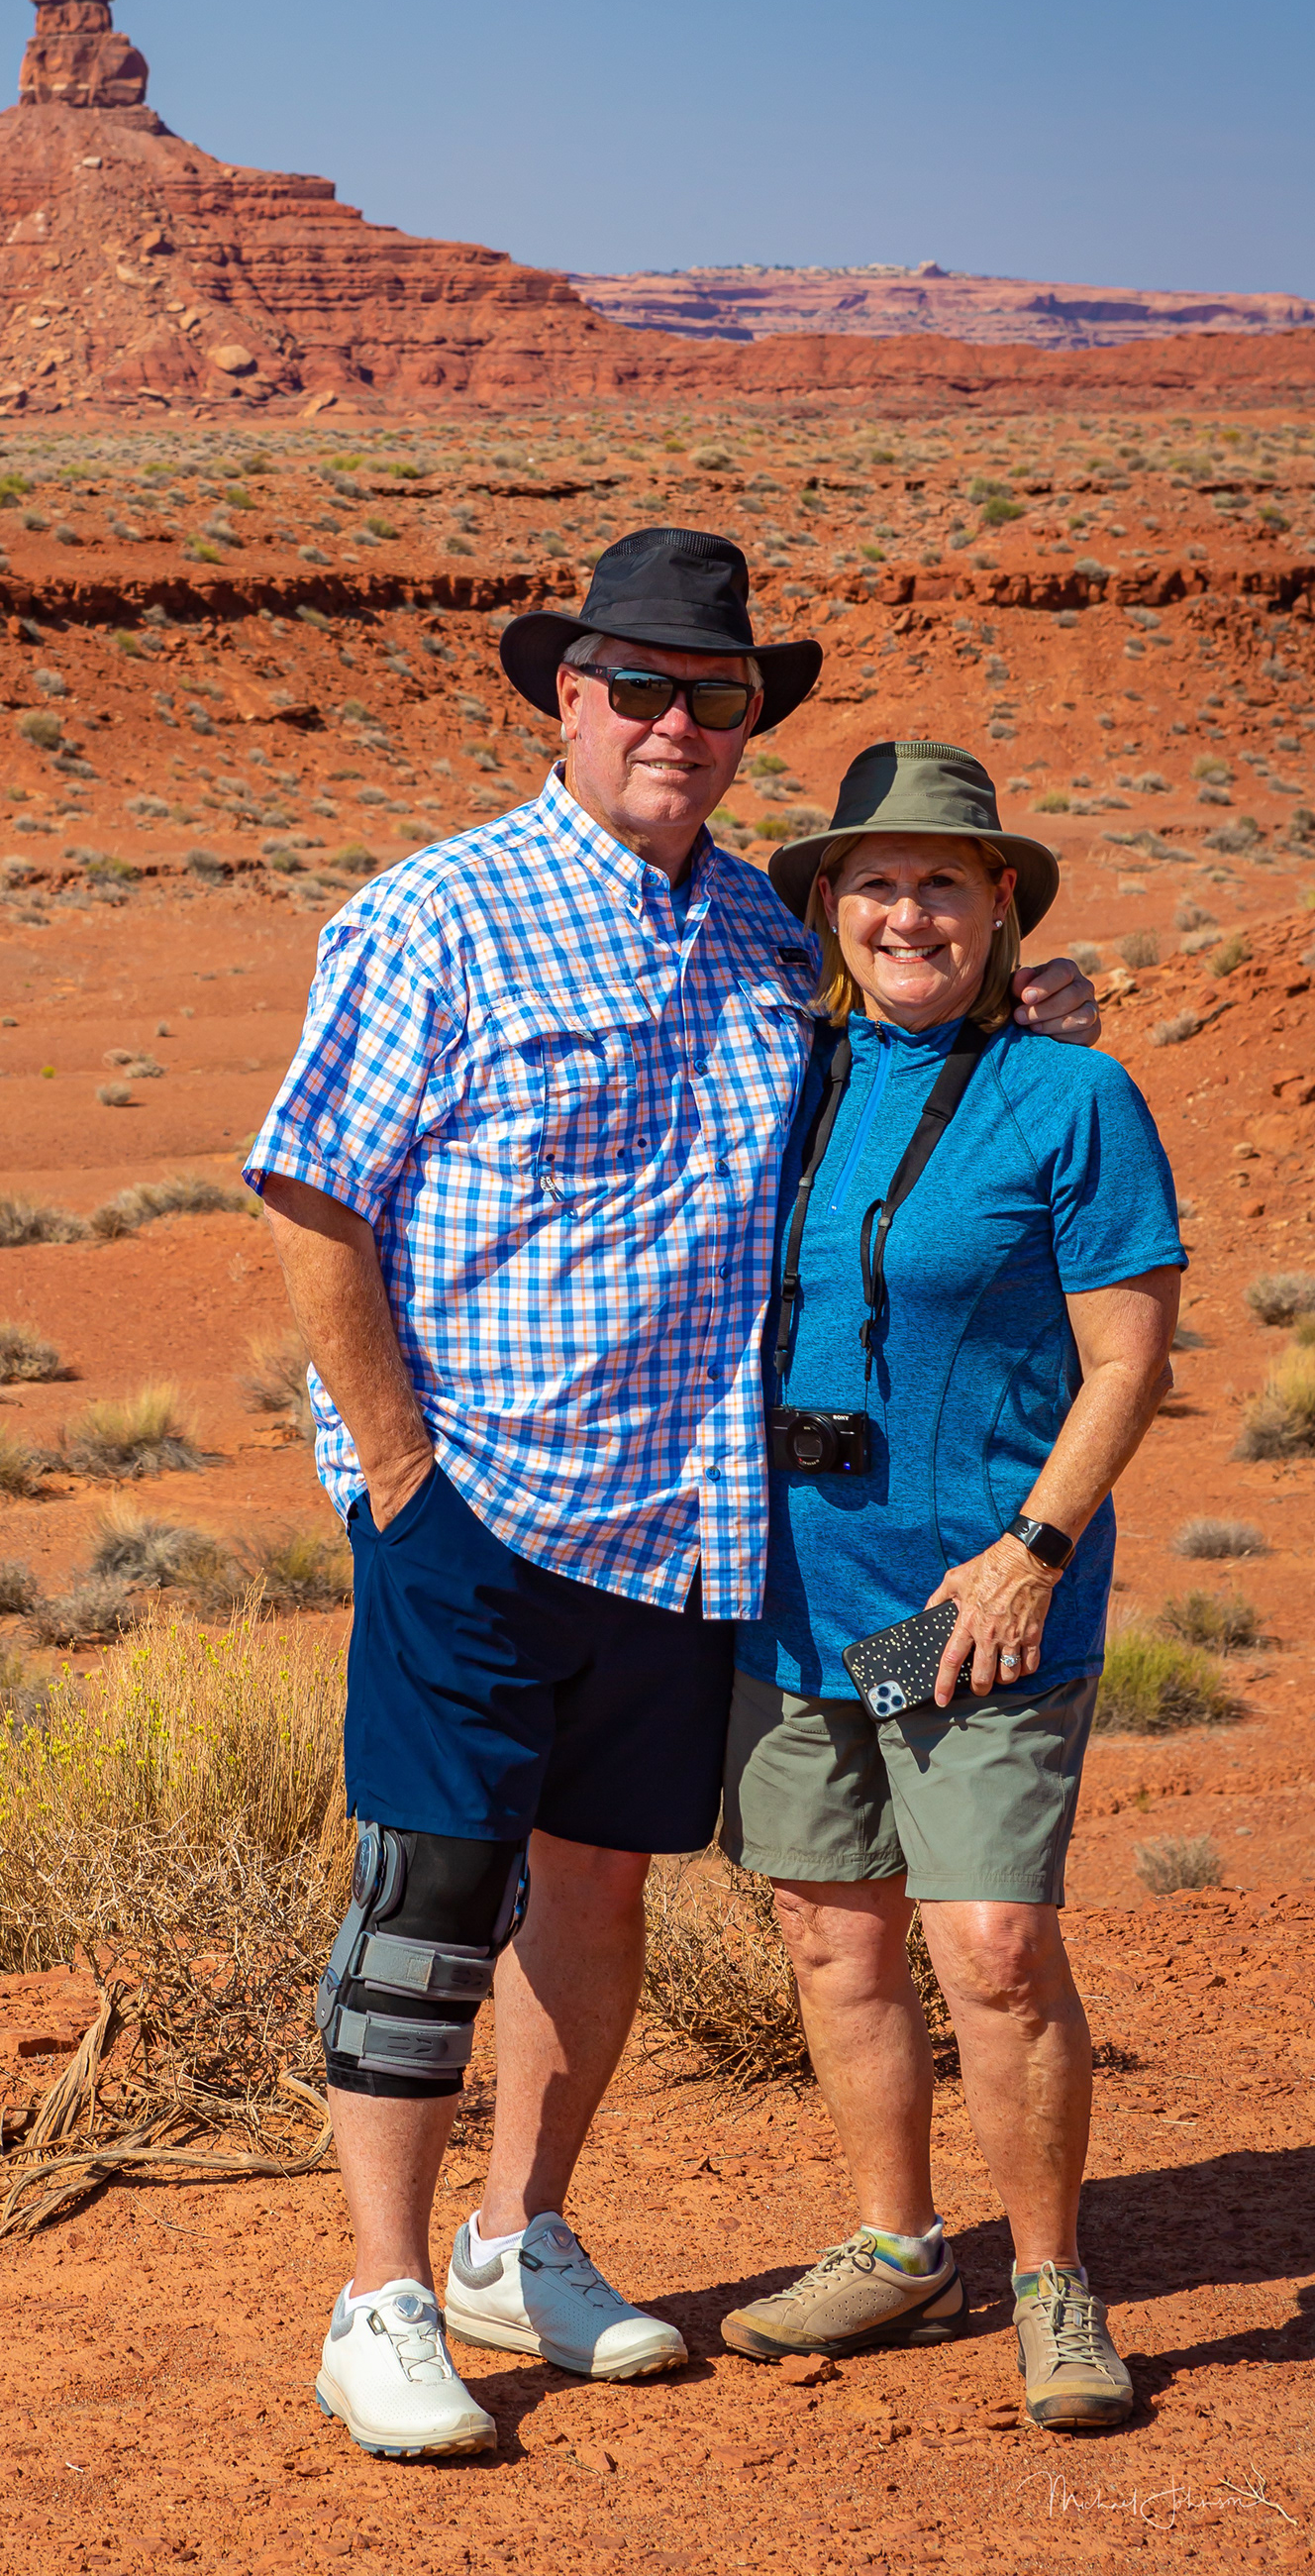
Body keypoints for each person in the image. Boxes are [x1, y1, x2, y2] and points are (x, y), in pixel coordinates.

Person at [245, 530, 1101, 2461]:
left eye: (716, 696)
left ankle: (515, 2235)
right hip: (473, 1509)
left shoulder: (751, 928)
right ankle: (375, 2299)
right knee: (431, 1887)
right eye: (637, 685)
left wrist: (1032, 1024)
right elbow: (313, 1196)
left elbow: (896, 1035)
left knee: (599, 1890)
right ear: (565, 697)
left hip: (687, 1528)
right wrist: (401, 1478)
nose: (677, 724)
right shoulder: (433, 917)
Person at [717, 740, 1183, 2433]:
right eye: (873, 882)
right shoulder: (786, 1077)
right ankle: (899, 2247)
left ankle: (1052, 2280)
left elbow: (1129, 1357)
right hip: (794, 1586)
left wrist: (1032, 1549)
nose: (905, 911)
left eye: (942, 879)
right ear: (829, 911)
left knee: (988, 1943)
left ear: (1001, 904)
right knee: (834, 1935)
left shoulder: (1076, 1096)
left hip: (975, 1593)